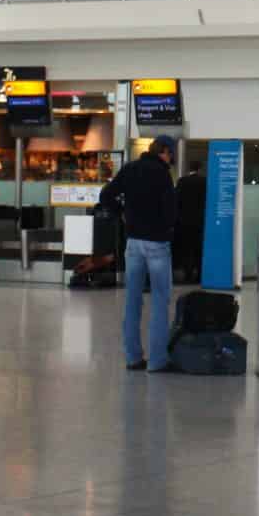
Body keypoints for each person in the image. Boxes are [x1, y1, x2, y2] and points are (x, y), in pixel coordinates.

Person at [98, 135, 179, 371]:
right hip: (157, 244)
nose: (172, 158)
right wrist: (166, 227)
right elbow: (171, 211)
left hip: (133, 243)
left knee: (132, 301)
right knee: (159, 301)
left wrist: (122, 212)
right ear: (164, 151)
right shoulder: (163, 174)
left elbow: (105, 196)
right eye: (171, 153)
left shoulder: (130, 169)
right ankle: (157, 361)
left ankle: (133, 358)